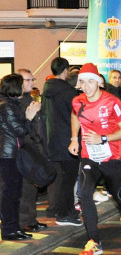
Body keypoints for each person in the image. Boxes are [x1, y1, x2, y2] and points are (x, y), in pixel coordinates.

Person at [69, 63, 121, 255]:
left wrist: (102, 138)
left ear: (98, 82)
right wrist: (74, 138)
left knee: (120, 197)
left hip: (112, 157)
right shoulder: (77, 101)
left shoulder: (112, 101)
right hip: (90, 157)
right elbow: (74, 116)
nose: (86, 86)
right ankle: (94, 241)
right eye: (82, 82)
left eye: (90, 81)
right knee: (84, 194)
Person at [41, 57, 81, 227]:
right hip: (68, 141)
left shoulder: (46, 90)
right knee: (68, 179)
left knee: (58, 179)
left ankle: (59, 209)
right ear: (65, 71)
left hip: (52, 140)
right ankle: (65, 214)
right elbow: (76, 117)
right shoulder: (69, 92)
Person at [0, 74, 40, 240]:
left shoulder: (10, 104)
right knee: (10, 193)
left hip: (12, 153)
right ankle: (9, 229)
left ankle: (14, 227)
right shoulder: (7, 106)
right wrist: (29, 117)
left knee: (15, 193)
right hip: (8, 155)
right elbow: (20, 130)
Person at [16, 68, 48, 231]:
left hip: (33, 147)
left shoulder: (29, 99)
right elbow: (20, 128)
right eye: (27, 80)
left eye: (32, 80)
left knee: (32, 187)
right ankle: (24, 221)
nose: (31, 83)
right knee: (25, 188)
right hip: (23, 149)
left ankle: (31, 219)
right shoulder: (15, 102)